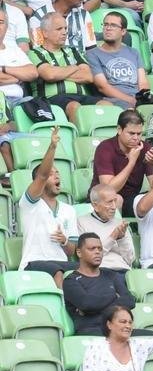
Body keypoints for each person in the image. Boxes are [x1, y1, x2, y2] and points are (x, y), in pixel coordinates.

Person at [17, 128, 78, 285]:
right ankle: (61, 307)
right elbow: (42, 175)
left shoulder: (69, 210)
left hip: (61, 262)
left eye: (58, 173)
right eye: (52, 174)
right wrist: (52, 147)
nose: (57, 176)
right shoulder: (29, 203)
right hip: (33, 262)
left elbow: (72, 251)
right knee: (56, 271)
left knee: (88, 270)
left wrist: (64, 241)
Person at [63, 232, 134, 335]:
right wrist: (114, 296)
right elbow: (86, 304)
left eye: (100, 249)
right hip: (92, 331)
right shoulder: (71, 281)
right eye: (92, 249)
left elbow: (129, 300)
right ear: (79, 253)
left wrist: (95, 307)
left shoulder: (110, 275)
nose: (97, 252)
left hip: (118, 330)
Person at [76, 183, 135, 274]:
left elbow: (130, 259)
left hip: (123, 270)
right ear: (95, 206)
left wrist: (121, 239)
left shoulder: (120, 224)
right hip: (99, 271)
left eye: (115, 201)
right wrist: (113, 237)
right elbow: (89, 257)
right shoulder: (82, 222)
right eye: (109, 202)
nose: (114, 207)